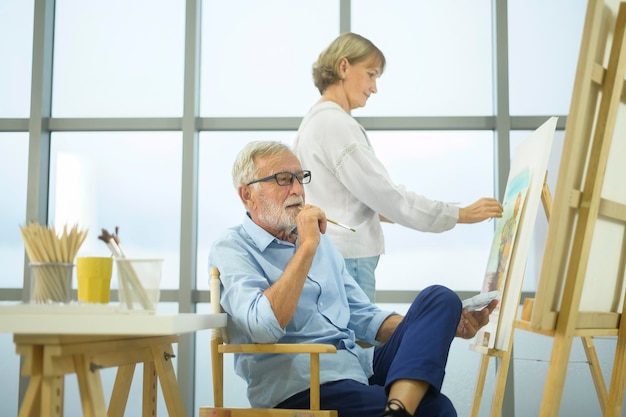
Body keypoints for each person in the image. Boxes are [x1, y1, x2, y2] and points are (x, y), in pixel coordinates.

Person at [209, 141, 497, 417]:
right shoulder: (233, 247)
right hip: (303, 386)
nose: (297, 190)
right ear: (247, 195)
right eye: (283, 179)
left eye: (300, 178)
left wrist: (436, 326)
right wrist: (306, 248)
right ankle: (398, 410)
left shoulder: (321, 244)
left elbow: (363, 316)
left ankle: (396, 410)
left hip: (357, 370)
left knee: (440, 298)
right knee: (437, 410)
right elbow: (263, 327)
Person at [293, 32, 503, 302]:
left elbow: (347, 198)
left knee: (343, 341)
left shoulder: (313, 123)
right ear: (343, 67)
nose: (374, 87)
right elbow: (386, 195)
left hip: (333, 255)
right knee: (355, 343)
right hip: (349, 260)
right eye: (371, 74)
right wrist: (458, 213)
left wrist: (386, 210)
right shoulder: (336, 125)